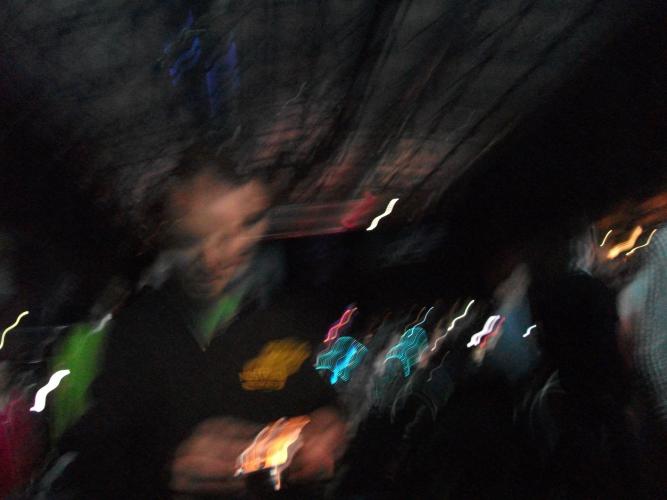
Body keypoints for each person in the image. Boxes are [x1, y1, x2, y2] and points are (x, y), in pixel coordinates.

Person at [37, 146, 347, 499]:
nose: (211, 257)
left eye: (235, 231)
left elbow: (324, 397)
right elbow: (93, 456)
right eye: (193, 238)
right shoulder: (137, 327)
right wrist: (165, 468)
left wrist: (330, 422)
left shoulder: (293, 316)